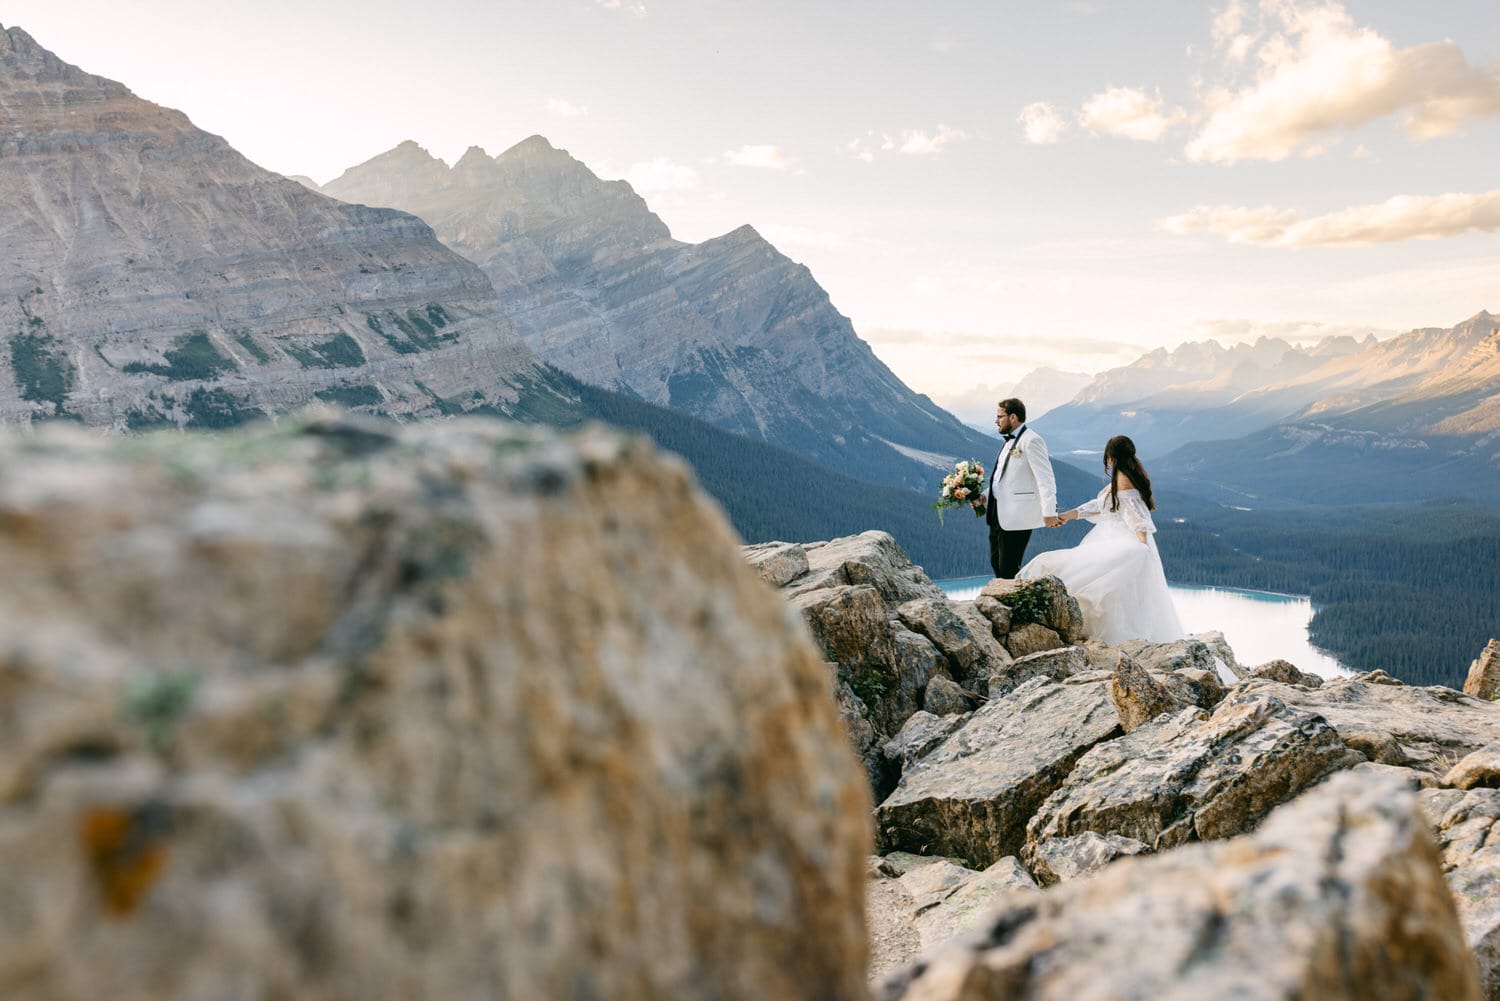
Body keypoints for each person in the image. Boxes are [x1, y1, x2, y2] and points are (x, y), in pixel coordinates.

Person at [1020, 434, 1184, 645]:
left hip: (1119, 540)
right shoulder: (1124, 477)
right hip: (1108, 537)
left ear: (1111, 457)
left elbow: (1137, 517)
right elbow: (1100, 505)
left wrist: (1142, 544)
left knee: (1086, 577)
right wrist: (1070, 515)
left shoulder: (1124, 481)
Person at [981, 398, 1059, 579]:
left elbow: (1046, 479)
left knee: (1008, 566)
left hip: (1017, 514)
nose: (996, 421)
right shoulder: (1008, 441)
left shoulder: (1032, 441)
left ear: (1013, 417)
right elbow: (1004, 476)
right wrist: (985, 495)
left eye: (1000, 416)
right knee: (996, 563)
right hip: (997, 512)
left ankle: (1013, 605)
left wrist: (1048, 511)